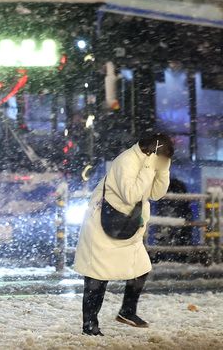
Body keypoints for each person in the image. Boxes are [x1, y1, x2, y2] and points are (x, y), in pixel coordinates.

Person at [74, 133, 173, 336]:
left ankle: (127, 311)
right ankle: (89, 325)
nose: (161, 163)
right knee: (96, 277)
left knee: (141, 268)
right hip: (102, 226)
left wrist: (163, 170)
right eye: (162, 158)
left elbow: (156, 193)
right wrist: (148, 168)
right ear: (151, 153)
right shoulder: (126, 161)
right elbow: (131, 195)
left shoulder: (150, 162)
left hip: (128, 227)